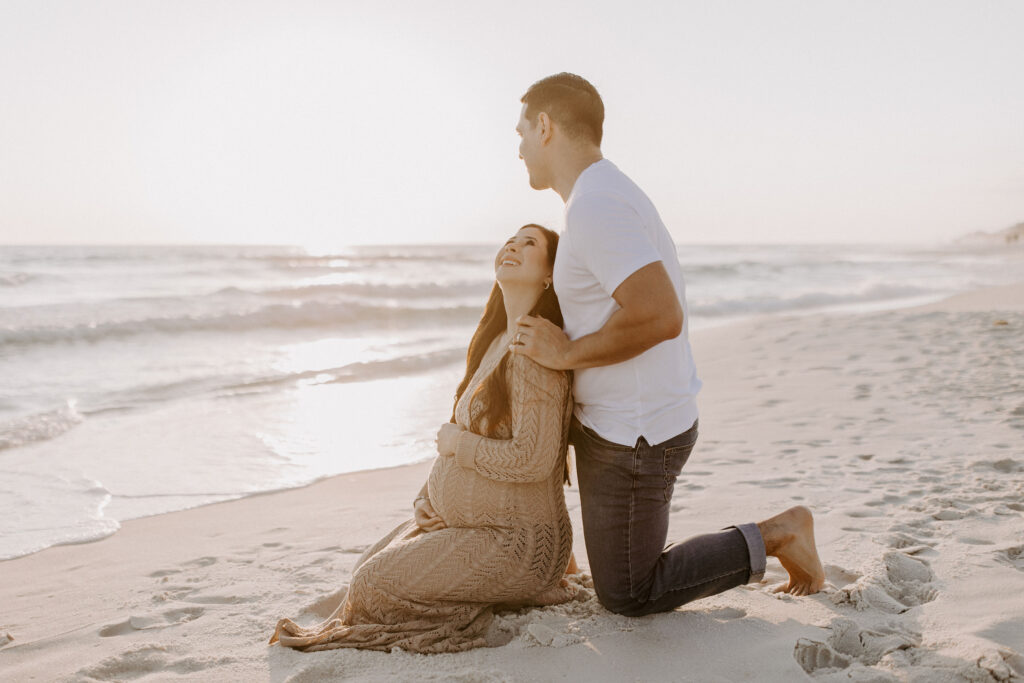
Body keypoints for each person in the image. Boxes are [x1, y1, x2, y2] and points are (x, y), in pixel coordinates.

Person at [511, 73, 825, 616]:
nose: (517, 149)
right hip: (624, 420)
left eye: (520, 132)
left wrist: (564, 355)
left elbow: (659, 314)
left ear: (545, 126)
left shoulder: (597, 207)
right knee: (619, 573)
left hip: (637, 434)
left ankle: (779, 535)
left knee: (630, 592)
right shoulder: (601, 194)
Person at [270, 224, 580, 653]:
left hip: (518, 545)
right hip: (475, 526)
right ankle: (486, 589)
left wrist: (459, 447)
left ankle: (502, 596)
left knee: (373, 584)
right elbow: (465, 433)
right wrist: (426, 499)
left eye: (531, 244)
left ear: (549, 276)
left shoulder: (532, 349)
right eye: (511, 238)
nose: (513, 245)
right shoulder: (495, 342)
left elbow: (534, 458)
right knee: (368, 566)